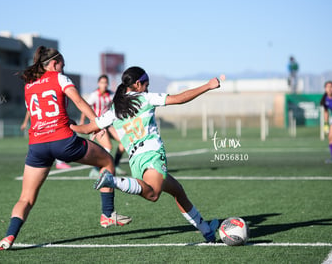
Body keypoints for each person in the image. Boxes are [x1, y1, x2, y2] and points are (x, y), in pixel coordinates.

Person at [0, 46, 131, 251]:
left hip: (37, 145)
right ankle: (107, 215)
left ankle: (8, 237)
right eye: (62, 65)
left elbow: (42, 113)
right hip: (63, 141)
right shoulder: (59, 78)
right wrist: (97, 124)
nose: (63, 69)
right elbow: (78, 101)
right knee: (107, 161)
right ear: (55, 63)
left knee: (26, 198)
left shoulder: (29, 84)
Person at [71, 66, 222, 242]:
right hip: (151, 154)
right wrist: (207, 86)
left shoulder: (115, 109)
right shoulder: (145, 98)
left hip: (136, 161)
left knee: (178, 191)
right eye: (146, 84)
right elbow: (179, 98)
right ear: (137, 84)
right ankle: (113, 181)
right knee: (153, 194)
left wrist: (69, 127)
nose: (148, 88)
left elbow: (89, 128)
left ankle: (207, 231)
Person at [80, 74, 127, 177]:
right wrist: (82, 121)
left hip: (109, 124)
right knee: (108, 146)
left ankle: (115, 165)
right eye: (102, 83)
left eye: (106, 83)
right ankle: (95, 169)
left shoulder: (111, 95)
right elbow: (86, 108)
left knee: (124, 142)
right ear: (98, 84)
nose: (104, 85)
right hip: (98, 125)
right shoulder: (94, 95)